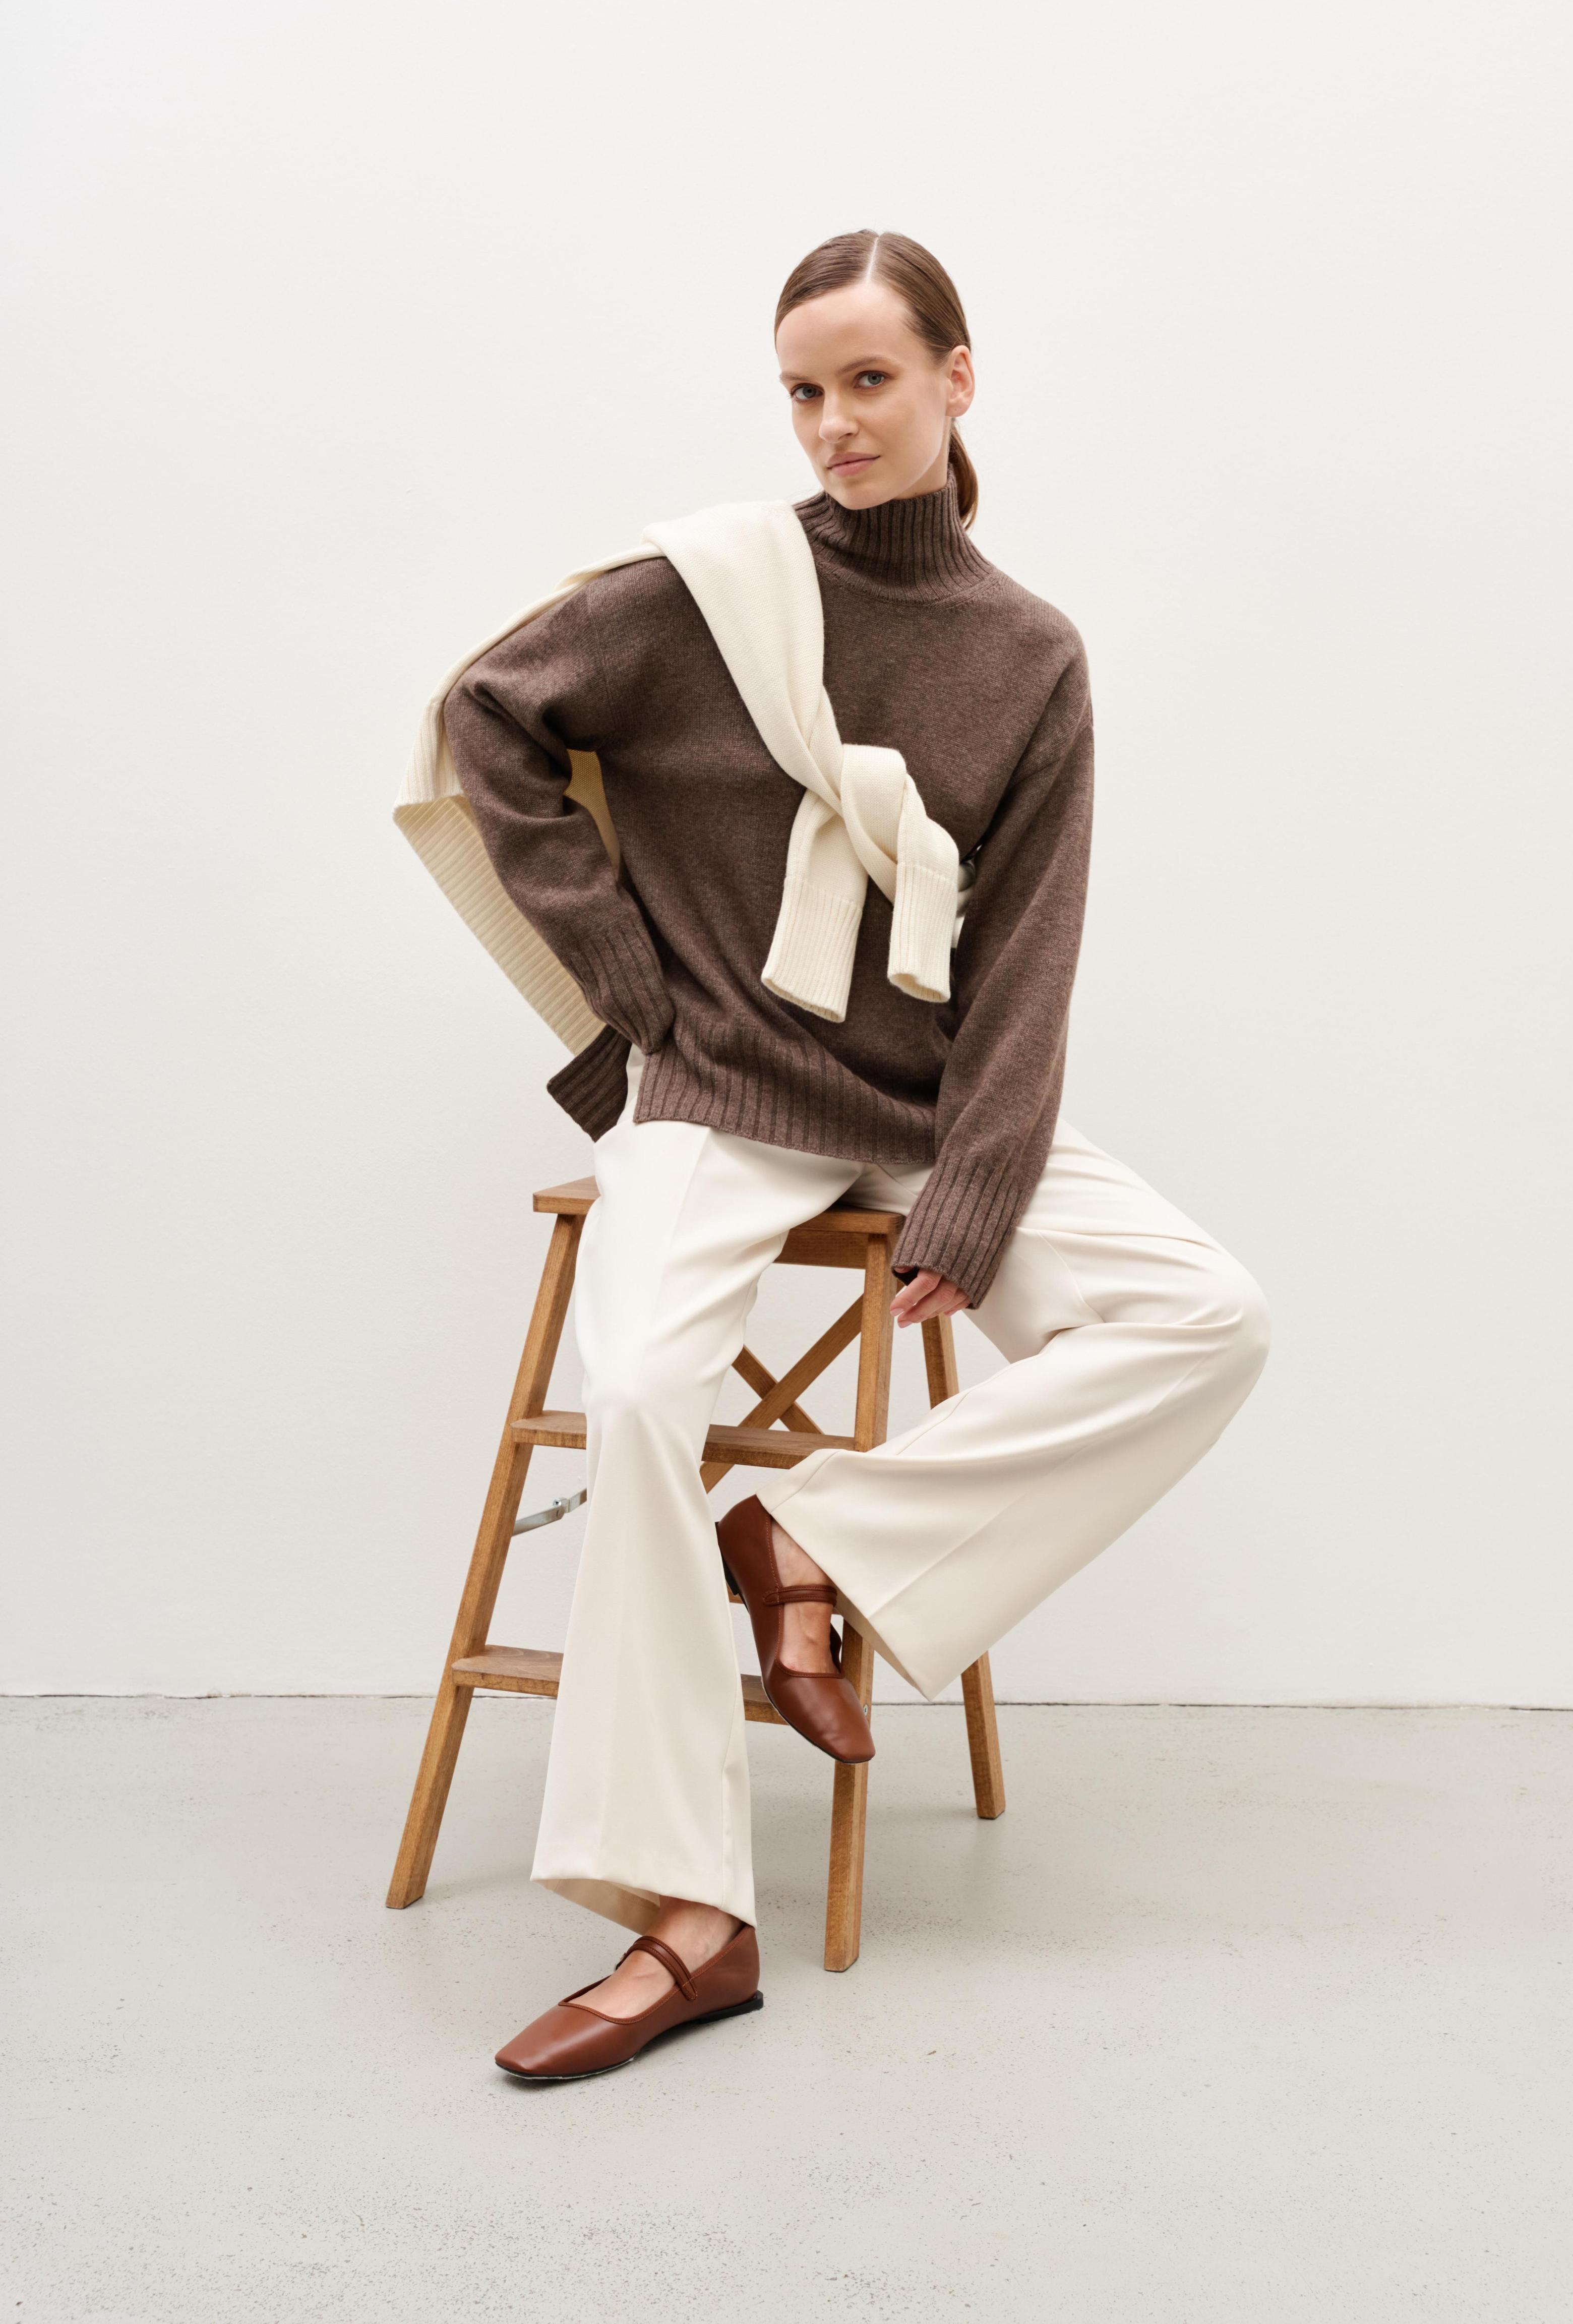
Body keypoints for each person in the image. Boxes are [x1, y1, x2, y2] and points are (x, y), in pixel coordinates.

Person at [439, 229, 1271, 2081]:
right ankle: (688, 1920)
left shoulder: (1029, 655)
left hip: (920, 1108)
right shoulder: (709, 591)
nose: (834, 423)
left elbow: (1028, 949)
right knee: (641, 1394)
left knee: (1207, 1315)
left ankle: (814, 1539)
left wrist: (980, 1176)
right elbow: (486, 715)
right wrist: (625, 980)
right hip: (723, 1089)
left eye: (870, 381)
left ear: (960, 380)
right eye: (805, 390)